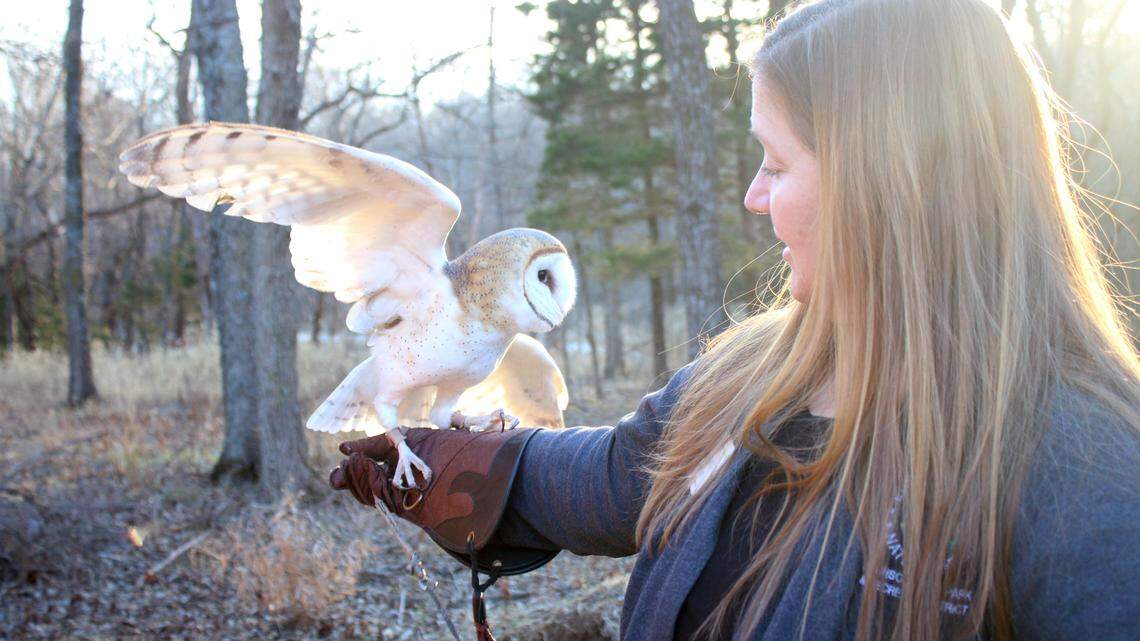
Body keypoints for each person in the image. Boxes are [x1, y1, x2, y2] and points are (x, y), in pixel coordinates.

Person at [329, 1, 1140, 639]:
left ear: (889, 186)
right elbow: (615, 479)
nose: (753, 194)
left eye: (778, 162)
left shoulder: (1081, 461)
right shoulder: (750, 375)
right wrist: (446, 465)